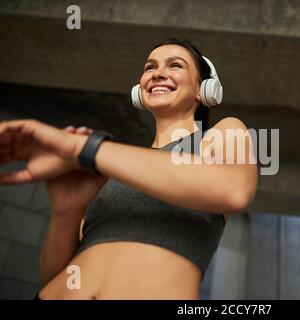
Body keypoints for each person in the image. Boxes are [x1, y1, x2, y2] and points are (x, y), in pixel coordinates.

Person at [0, 39, 258, 299]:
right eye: (150, 67)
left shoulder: (223, 132)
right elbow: (52, 275)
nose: (157, 73)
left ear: (204, 90)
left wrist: (85, 148)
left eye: (175, 65)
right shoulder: (113, 168)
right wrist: (66, 210)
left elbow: (235, 190)